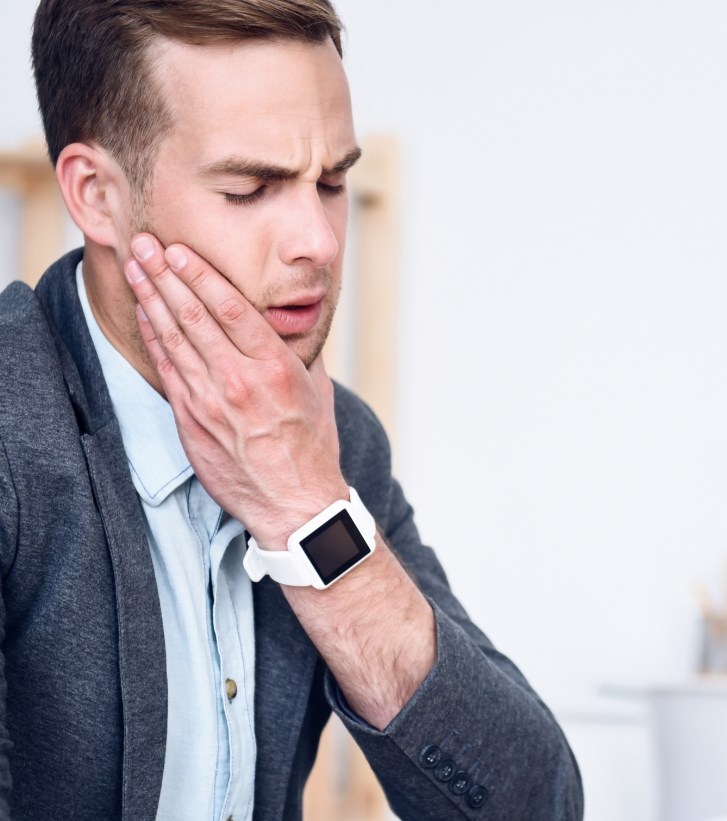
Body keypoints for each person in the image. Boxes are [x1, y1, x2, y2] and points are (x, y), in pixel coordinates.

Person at [0, 1, 583, 819]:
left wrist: (307, 512)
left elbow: (533, 803)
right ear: (96, 196)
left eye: (333, 181)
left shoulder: (327, 442)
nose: (318, 239)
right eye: (251, 188)